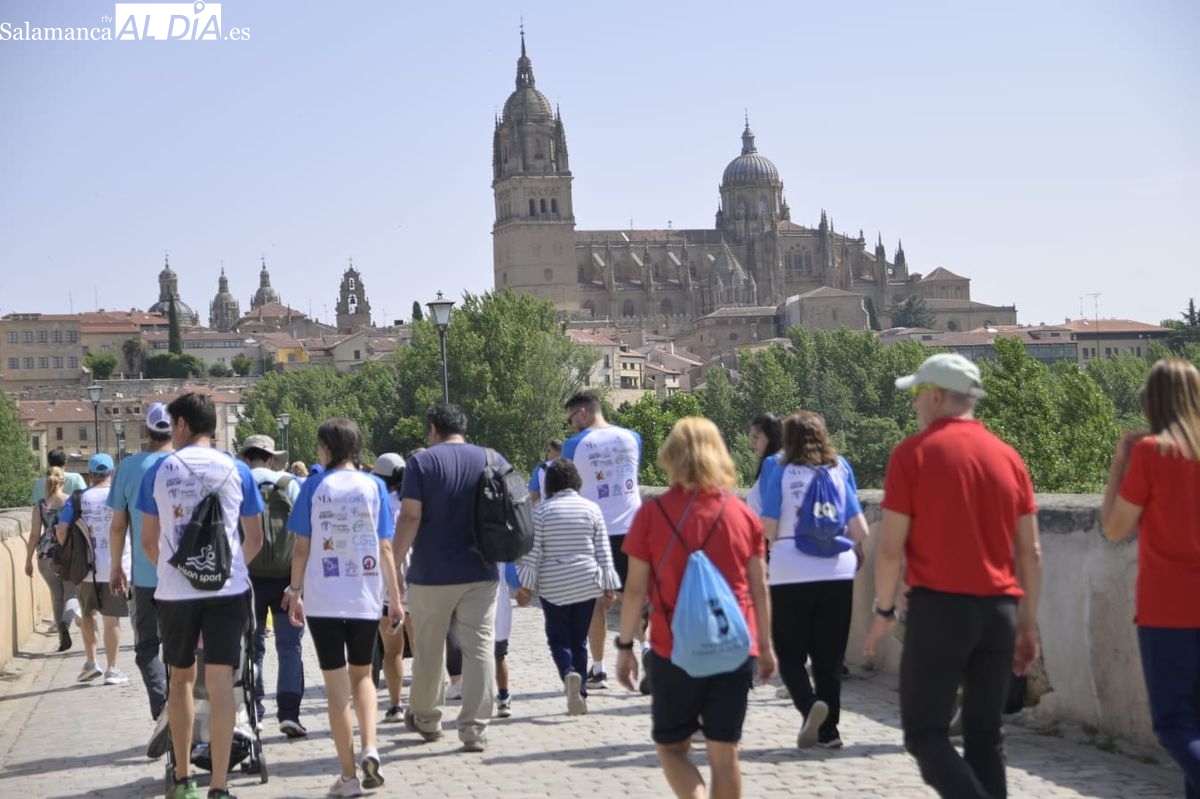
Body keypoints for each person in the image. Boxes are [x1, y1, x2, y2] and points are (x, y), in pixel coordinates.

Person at [864, 352, 1042, 799]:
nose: (913, 404)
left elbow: (889, 549)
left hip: (940, 609)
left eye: (917, 394)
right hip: (999, 611)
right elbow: (1031, 553)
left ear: (938, 396)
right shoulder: (1008, 457)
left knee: (925, 733)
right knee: (986, 739)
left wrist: (884, 609)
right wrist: (1026, 625)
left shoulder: (913, 454)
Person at [616, 417, 775, 799]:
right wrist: (767, 647)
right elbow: (759, 588)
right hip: (734, 647)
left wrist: (624, 647)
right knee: (725, 752)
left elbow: (635, 591)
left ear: (670, 456)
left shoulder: (651, 514)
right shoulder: (742, 515)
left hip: (674, 649)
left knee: (673, 748)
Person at [138, 392, 265, 799]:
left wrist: (179, 571)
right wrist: (226, 570)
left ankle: (183, 778)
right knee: (222, 682)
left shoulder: (159, 470)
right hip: (227, 590)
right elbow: (255, 538)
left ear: (181, 425)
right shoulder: (237, 469)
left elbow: (149, 541)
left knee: (180, 679)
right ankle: (220, 785)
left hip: (176, 592)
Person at [284, 419, 401, 797]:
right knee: (363, 676)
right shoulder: (374, 486)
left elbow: (301, 548)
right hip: (365, 595)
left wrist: (295, 591)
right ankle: (371, 746)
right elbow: (386, 547)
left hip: (324, 599)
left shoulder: (314, 486)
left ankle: (349, 776)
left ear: (327, 449)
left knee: (336, 687)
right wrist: (395, 598)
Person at [1100, 358, 1200, 799]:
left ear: (1153, 403)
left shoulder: (1153, 452)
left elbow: (1115, 528)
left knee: (1174, 723)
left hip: (1169, 608)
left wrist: (1120, 463)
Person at [392, 402, 505, 753]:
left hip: (432, 572)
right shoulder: (491, 458)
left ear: (432, 429)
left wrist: (393, 561)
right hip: (481, 570)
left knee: (429, 648)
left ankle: (427, 719)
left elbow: (411, 516)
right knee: (479, 648)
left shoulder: (422, 463)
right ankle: (474, 729)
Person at [758, 411, 869, 749]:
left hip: (791, 569)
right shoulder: (839, 468)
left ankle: (810, 708)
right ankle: (830, 732)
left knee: (790, 654)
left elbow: (768, 527)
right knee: (829, 657)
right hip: (837, 570)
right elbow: (861, 529)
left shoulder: (779, 468)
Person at [516, 458, 621, 716]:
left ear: (550, 483)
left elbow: (533, 552)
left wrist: (526, 587)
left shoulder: (541, 511)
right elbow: (603, 550)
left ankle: (568, 673)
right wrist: (609, 586)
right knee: (579, 640)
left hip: (554, 584)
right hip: (586, 581)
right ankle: (581, 692)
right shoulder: (592, 509)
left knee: (558, 639)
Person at [562, 391, 642, 690]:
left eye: (571, 419)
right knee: (637, 596)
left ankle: (598, 669)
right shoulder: (633, 437)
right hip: (633, 527)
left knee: (595, 603)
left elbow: (570, 487)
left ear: (582, 413)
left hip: (595, 531)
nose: (572, 426)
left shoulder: (574, 445)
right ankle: (648, 651)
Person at [108, 402, 174, 758]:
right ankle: (187, 711)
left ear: (146, 433)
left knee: (148, 647)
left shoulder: (129, 468)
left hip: (147, 575)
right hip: (188, 575)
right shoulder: (185, 463)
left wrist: (116, 567)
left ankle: (164, 710)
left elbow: (119, 526)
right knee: (186, 650)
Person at [239, 434, 306, 739]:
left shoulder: (238, 482)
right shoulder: (289, 484)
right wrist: (299, 585)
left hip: (249, 577)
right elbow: (305, 534)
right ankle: (289, 714)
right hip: (286, 578)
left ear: (246, 458)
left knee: (252, 647)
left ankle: (255, 712)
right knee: (289, 646)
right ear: (270, 459)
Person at [57, 453, 131, 686]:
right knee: (112, 618)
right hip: (117, 566)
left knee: (88, 614)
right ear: (112, 473)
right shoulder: (121, 496)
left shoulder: (78, 498)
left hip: (86, 567)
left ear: (89, 474)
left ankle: (91, 662)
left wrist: (70, 552)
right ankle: (112, 669)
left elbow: (61, 530)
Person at [371, 452, 409, 723]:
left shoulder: (376, 504)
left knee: (392, 650)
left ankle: (396, 705)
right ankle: (425, 703)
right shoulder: (414, 503)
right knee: (424, 648)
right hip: (418, 579)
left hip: (386, 583)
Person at [24, 466, 74, 652]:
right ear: (63, 481)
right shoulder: (70, 501)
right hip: (67, 552)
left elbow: (34, 535)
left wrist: (28, 560)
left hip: (45, 554)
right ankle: (66, 624)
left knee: (57, 595)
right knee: (71, 594)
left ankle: (61, 638)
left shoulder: (40, 505)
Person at [744, 413, 782, 515]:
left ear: (771, 437)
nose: (752, 442)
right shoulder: (781, 462)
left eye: (756, 437)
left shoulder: (772, 463)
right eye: (751, 437)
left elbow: (770, 512)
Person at [528, 439, 563, 504]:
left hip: (547, 506)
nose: (547, 453)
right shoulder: (571, 466)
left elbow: (534, 495)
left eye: (548, 450)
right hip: (568, 505)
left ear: (555, 451)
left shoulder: (540, 469)